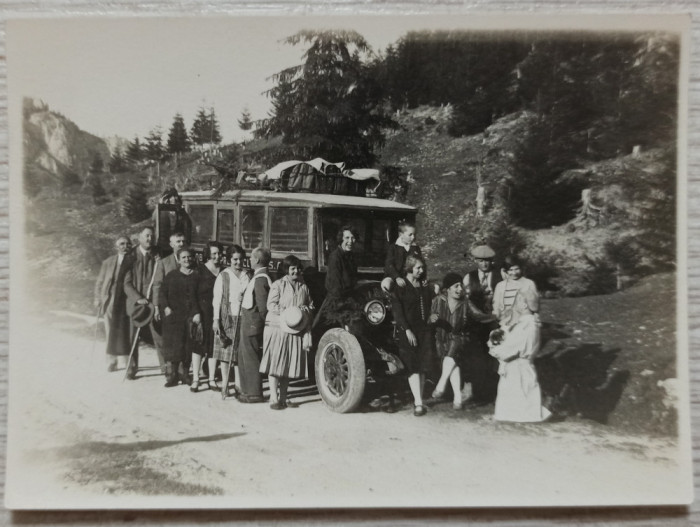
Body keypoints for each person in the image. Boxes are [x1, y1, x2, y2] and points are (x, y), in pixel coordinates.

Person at [488, 255, 550, 422]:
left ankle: (522, 408)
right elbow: (497, 305)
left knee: (518, 362)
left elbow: (533, 305)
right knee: (507, 366)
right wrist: (501, 319)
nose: (514, 272)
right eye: (511, 270)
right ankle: (509, 407)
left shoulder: (528, 283)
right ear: (505, 271)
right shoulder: (501, 285)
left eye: (517, 269)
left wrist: (528, 318)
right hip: (506, 324)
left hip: (523, 323)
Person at [431, 273, 496, 410]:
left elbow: (479, 316)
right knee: (453, 366)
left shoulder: (466, 303)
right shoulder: (438, 300)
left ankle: (441, 385)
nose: (460, 288)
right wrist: (432, 318)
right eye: (456, 286)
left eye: (461, 285)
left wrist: (495, 316)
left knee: (450, 357)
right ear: (448, 288)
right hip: (441, 339)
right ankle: (458, 400)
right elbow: (429, 317)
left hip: (460, 337)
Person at [259, 255, 314, 410]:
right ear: (286, 269)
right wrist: (288, 313)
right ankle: (273, 397)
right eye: (292, 268)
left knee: (288, 364)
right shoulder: (278, 284)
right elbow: (271, 305)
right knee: (276, 363)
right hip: (277, 328)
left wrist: (305, 310)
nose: (296, 271)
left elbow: (311, 304)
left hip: (295, 328)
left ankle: (283, 397)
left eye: (297, 268)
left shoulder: (303, 286)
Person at [390, 254, 436, 416]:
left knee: (423, 366)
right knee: (413, 367)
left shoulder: (423, 286)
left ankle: (420, 400)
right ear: (409, 268)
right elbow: (398, 312)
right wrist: (407, 330)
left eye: (422, 268)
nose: (421, 270)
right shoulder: (401, 287)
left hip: (423, 330)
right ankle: (417, 403)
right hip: (408, 331)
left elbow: (429, 304)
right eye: (418, 268)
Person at [463, 244, 503, 403]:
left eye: (488, 261)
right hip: (476, 324)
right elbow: (466, 301)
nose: (485, 264)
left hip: (495, 322)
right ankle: (478, 393)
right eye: (481, 261)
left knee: (496, 355)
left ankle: (495, 392)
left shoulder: (500, 275)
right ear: (475, 261)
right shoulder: (469, 278)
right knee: (478, 357)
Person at [123, 226, 164, 379]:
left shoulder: (157, 255)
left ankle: (165, 367)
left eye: (152, 236)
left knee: (159, 333)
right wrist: (137, 297)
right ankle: (131, 367)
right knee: (132, 336)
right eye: (146, 236)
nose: (149, 239)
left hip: (152, 302)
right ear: (139, 238)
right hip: (136, 303)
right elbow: (126, 283)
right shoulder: (131, 256)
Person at [158, 247, 201, 388]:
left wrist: (196, 313)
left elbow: (198, 298)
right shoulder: (172, 275)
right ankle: (174, 375)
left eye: (189, 257)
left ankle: (186, 374)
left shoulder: (196, 276)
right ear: (178, 259)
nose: (187, 260)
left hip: (189, 316)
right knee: (175, 345)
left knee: (188, 345)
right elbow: (162, 293)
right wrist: (166, 307)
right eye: (183, 257)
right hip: (174, 317)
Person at [212, 245, 251, 399]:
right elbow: (217, 300)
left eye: (241, 259)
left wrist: (245, 296)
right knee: (226, 353)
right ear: (229, 260)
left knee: (239, 354)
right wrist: (216, 320)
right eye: (235, 259)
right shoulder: (223, 276)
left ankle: (238, 385)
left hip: (242, 317)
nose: (238, 262)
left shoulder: (246, 275)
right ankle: (225, 384)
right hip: (227, 318)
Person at [237, 247, 272, 403]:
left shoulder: (260, 279)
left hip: (252, 324)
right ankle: (246, 390)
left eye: (251, 257)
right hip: (249, 322)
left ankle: (254, 393)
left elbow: (263, 307)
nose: (249, 260)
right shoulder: (259, 276)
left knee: (251, 358)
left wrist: (264, 325)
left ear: (257, 260)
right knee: (244, 356)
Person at [94, 235, 133, 371]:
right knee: (110, 330)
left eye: (128, 244)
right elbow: (100, 282)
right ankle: (112, 361)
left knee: (127, 331)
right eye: (122, 244)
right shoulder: (108, 262)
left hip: (127, 300)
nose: (125, 246)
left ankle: (128, 362)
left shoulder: (135, 261)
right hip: (110, 299)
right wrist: (98, 299)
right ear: (116, 247)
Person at [314, 226, 359, 329]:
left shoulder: (352, 257)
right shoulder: (335, 257)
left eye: (353, 238)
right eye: (347, 238)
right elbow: (335, 286)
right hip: (337, 302)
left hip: (349, 298)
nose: (350, 241)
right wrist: (345, 306)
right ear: (341, 239)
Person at [194, 241, 224, 392]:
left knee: (214, 346)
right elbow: (192, 294)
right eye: (214, 254)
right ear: (208, 255)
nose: (217, 256)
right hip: (202, 313)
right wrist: (196, 313)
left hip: (217, 315)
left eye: (219, 253)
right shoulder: (200, 270)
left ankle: (212, 379)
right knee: (199, 345)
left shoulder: (223, 271)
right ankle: (196, 378)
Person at [382, 219, 423, 293]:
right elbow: (389, 264)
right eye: (410, 235)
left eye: (414, 234)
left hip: (411, 277)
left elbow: (421, 264)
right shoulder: (394, 247)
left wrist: (423, 277)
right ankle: (389, 301)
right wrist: (397, 277)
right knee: (386, 284)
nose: (413, 237)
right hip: (395, 277)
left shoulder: (415, 248)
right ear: (401, 235)